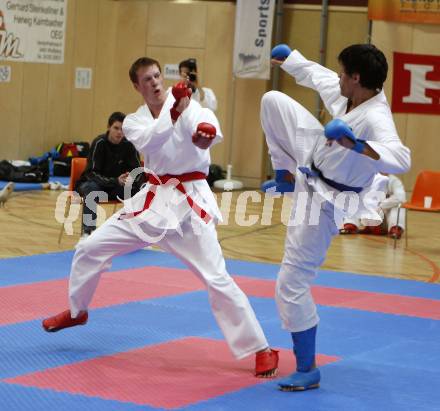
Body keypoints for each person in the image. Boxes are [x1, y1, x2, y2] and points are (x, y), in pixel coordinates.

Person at [42, 57, 278, 378]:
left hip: (189, 203)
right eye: (146, 79)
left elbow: (206, 130)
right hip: (152, 203)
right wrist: (175, 112)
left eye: (157, 76)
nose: (154, 82)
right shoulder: (133, 122)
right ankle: (77, 310)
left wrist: (203, 136)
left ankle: (260, 349)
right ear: (137, 86)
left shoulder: (190, 106)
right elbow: (154, 139)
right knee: (89, 246)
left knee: (217, 277)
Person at [261, 43, 411, 391]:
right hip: (310, 159)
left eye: (344, 72)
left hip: (327, 198)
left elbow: (401, 159)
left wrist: (356, 145)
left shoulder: (375, 117)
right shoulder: (350, 94)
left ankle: (307, 368)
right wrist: (292, 60)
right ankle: (284, 175)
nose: (339, 76)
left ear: (356, 78)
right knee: (273, 102)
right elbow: (320, 76)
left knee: (291, 281)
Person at [75, 112, 144, 236]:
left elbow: (138, 171)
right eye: (116, 128)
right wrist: (115, 181)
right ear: (108, 127)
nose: (119, 133)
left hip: (117, 187)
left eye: (122, 129)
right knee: (91, 190)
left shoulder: (129, 145)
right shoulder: (99, 143)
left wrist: (130, 180)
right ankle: (88, 233)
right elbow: (91, 173)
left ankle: (135, 233)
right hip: (96, 185)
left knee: (140, 191)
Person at [341, 174, 406, 238]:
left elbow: (400, 198)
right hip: (368, 214)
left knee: (399, 205)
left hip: (386, 217)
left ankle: (395, 228)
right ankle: (350, 225)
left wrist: (380, 205)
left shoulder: (394, 181)